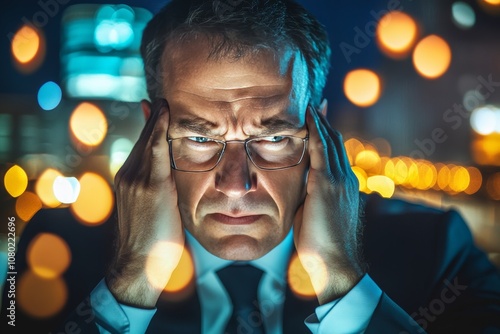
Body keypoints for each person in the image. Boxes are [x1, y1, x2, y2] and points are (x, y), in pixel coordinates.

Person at [5, 0, 500, 333]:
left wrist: (343, 283)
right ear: (149, 131)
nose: (237, 183)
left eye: (273, 137)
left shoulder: (437, 251)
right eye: (201, 137)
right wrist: (132, 282)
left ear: (319, 132)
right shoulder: (56, 248)